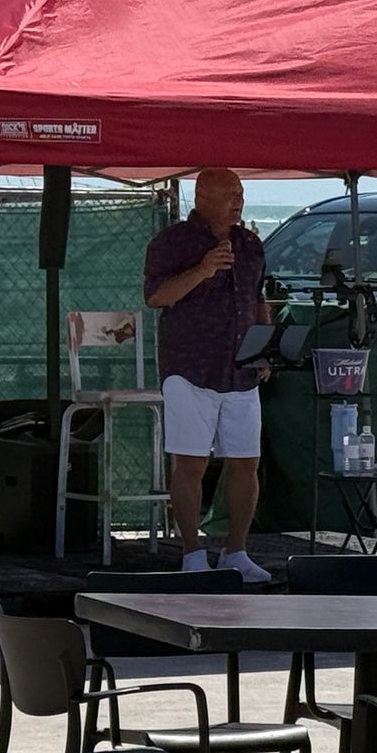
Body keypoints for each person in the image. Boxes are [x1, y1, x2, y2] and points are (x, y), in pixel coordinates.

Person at [143, 168, 274, 582]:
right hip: (191, 367)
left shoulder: (249, 243)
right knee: (191, 462)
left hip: (240, 368)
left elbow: (258, 298)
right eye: (228, 194)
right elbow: (156, 297)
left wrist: (264, 346)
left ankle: (236, 551)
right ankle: (192, 552)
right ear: (201, 196)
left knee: (246, 462)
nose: (237, 202)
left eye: (240, 193)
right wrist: (203, 269)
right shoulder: (172, 242)